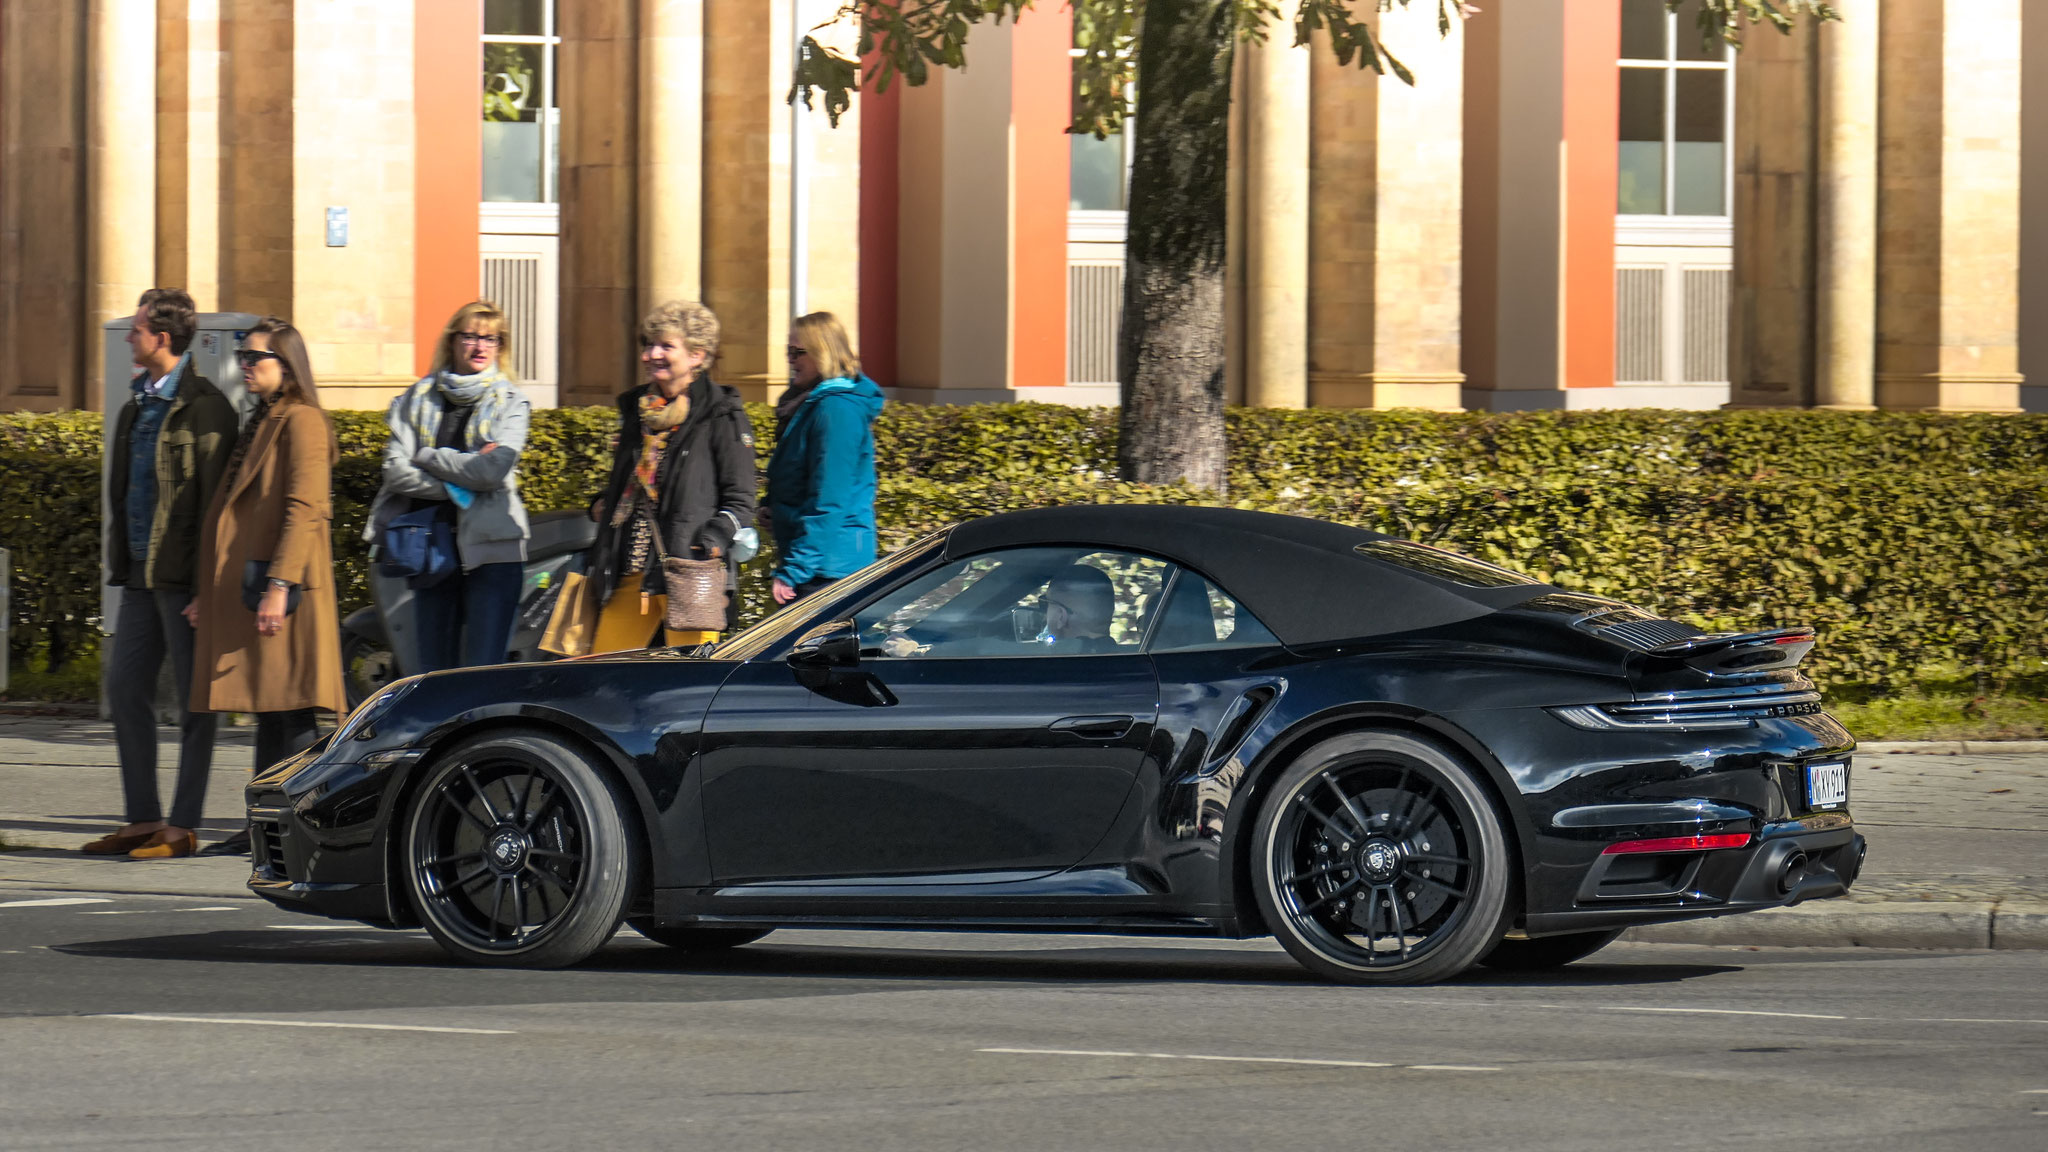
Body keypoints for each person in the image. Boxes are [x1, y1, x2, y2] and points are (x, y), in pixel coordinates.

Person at [182, 319, 347, 855]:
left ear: (287, 364)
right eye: (241, 356)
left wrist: (279, 584)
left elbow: (304, 509)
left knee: (295, 708)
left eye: (255, 357)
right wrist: (211, 592)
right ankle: (263, 828)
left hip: (289, 587)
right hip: (260, 583)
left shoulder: (302, 421)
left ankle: (291, 831)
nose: (244, 366)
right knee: (271, 706)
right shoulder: (266, 417)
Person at [83, 288, 238, 860]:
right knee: (125, 686)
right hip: (142, 579)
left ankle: (184, 824)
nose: (128, 337)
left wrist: (207, 586)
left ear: (162, 338)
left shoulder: (207, 408)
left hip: (184, 582)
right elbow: (125, 495)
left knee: (198, 702)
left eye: (137, 329)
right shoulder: (134, 405)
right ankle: (143, 817)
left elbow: (216, 509)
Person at [364, 301, 533, 672]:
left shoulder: (511, 402)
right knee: (433, 674)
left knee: (481, 674)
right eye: (470, 336)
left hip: (493, 553)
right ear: (452, 341)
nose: (479, 346)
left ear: (500, 347)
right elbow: (395, 471)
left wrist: (427, 456)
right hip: (429, 551)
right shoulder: (416, 398)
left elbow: (492, 470)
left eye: (491, 339)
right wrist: (461, 486)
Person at [585, 300, 757, 653]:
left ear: (696, 355)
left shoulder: (721, 415)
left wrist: (714, 538)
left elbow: (741, 499)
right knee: (601, 670)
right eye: (648, 345)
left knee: (690, 678)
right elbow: (630, 484)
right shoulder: (638, 411)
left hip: (690, 569)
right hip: (631, 569)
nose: (651, 354)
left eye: (665, 345)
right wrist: (604, 504)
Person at [766, 311, 884, 605]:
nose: (790, 359)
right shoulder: (811, 404)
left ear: (823, 352)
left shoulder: (836, 411)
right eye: (788, 351)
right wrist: (771, 506)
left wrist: (794, 569)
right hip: (818, 564)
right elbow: (799, 476)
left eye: (798, 351)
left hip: (829, 571)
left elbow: (830, 499)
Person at [1042, 565, 1118, 655]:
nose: (1044, 616)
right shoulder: (1131, 658)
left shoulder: (1047, 665)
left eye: (1046, 604)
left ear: (1061, 616)